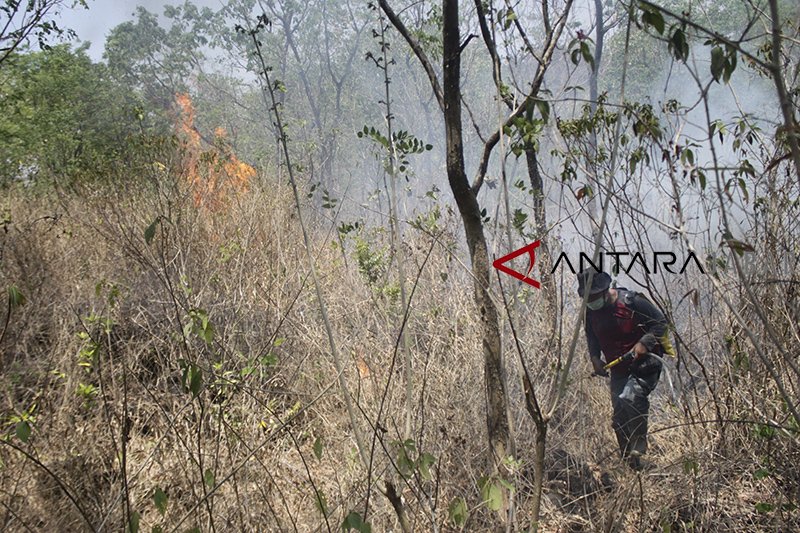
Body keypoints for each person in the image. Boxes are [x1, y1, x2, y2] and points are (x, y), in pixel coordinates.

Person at [577, 269, 668, 471]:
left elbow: (661, 322)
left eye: (593, 297)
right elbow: (591, 336)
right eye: (586, 297)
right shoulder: (589, 312)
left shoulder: (631, 302)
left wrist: (644, 343)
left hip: (644, 365)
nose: (590, 301)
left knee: (631, 397)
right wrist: (595, 358)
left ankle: (638, 446)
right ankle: (631, 465)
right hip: (618, 368)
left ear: (605, 291)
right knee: (619, 417)